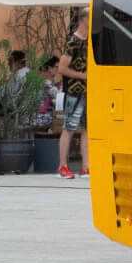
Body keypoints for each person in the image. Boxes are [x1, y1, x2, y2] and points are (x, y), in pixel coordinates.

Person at [52, 33, 88, 179]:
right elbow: (62, 69)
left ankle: (86, 167)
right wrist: (82, 76)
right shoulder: (73, 46)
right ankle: (62, 166)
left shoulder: (87, 48)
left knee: (87, 130)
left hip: (87, 92)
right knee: (69, 128)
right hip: (74, 93)